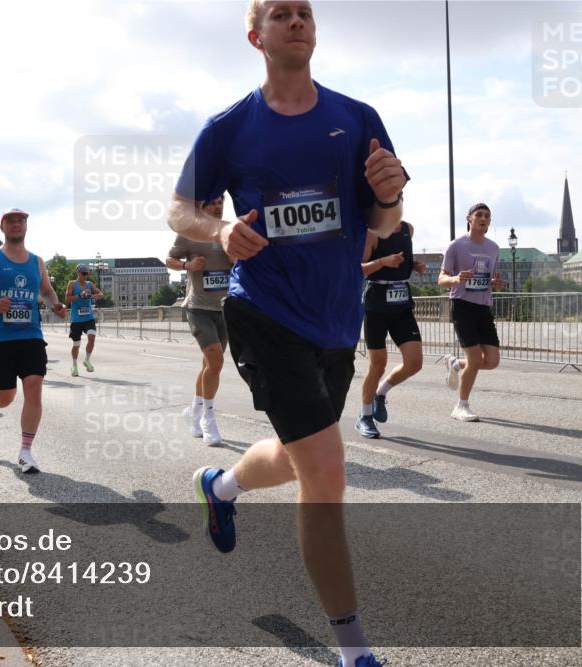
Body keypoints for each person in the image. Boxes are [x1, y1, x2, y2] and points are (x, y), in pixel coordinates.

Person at [168, 3, 407, 666]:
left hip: (336, 321)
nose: (297, 20)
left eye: (305, 12)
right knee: (327, 470)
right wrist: (216, 230)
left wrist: (389, 198)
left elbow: (383, 220)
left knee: (301, 455)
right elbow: (178, 206)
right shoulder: (230, 127)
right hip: (264, 313)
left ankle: (219, 486)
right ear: (258, 36)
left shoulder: (357, 118)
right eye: (281, 13)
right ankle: (354, 648)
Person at [0, 208, 67, 474]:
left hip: (31, 336)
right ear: (2, 226)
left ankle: (25, 452)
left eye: (21, 221)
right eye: (11, 221)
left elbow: (46, 290)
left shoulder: (37, 261)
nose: (16, 225)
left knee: (34, 387)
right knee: (6, 397)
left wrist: (55, 305)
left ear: (26, 227)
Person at [166, 195, 231, 446]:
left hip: (224, 308)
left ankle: (193, 410)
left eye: (221, 202)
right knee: (215, 361)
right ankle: (208, 418)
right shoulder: (189, 232)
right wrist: (187, 265)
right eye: (212, 202)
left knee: (209, 365)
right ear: (201, 207)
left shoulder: (228, 230)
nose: (218, 206)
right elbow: (169, 260)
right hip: (198, 307)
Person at [355, 221, 426, 439]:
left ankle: (380, 393)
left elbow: (403, 258)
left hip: (402, 304)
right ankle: (365, 416)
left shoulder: (408, 229)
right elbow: (358, 269)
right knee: (378, 363)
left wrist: (414, 265)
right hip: (376, 303)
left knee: (414, 363)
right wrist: (383, 262)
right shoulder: (372, 232)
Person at [438, 203, 505, 422]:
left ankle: (456, 364)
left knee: (493, 361)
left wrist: (496, 283)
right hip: (462, 305)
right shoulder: (456, 246)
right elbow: (441, 279)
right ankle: (461, 406)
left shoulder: (493, 248)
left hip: (483, 307)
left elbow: (490, 279)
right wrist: (456, 279)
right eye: (479, 215)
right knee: (475, 358)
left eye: (487, 215)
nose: (483, 218)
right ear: (469, 218)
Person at [64, 264, 104, 376]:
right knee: (76, 344)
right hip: (76, 320)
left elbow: (101, 294)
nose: (85, 276)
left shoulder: (89, 284)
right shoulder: (72, 284)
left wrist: (92, 296)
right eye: (83, 273)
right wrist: (80, 295)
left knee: (92, 337)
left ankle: (87, 360)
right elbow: (67, 299)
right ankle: (74, 366)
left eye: (87, 274)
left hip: (88, 318)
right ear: (78, 273)